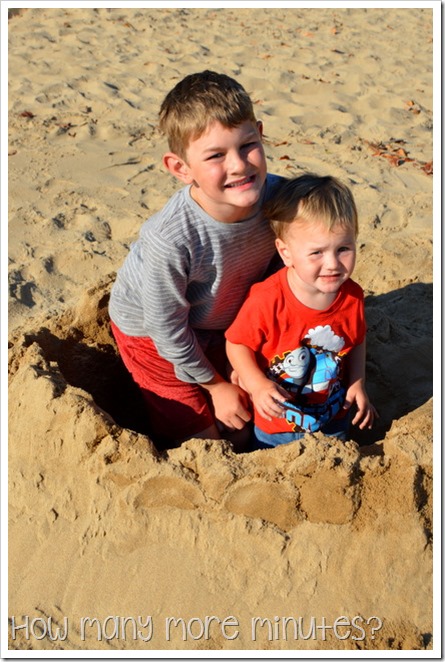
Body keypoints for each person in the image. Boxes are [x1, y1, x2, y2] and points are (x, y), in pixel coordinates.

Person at [108, 70, 284, 448]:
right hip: (152, 335)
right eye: (216, 155)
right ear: (180, 168)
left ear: (260, 133)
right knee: (204, 440)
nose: (239, 165)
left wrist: (242, 354)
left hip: (220, 320)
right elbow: (167, 330)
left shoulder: (282, 200)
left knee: (243, 428)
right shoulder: (170, 239)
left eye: (247, 145)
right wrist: (216, 386)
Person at [225, 173, 377, 449]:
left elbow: (356, 339)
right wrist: (256, 384)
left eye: (343, 248)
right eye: (317, 252)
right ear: (286, 253)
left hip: (332, 416)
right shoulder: (267, 299)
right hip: (276, 422)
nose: (332, 264)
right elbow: (236, 344)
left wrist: (357, 382)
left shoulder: (352, 296)